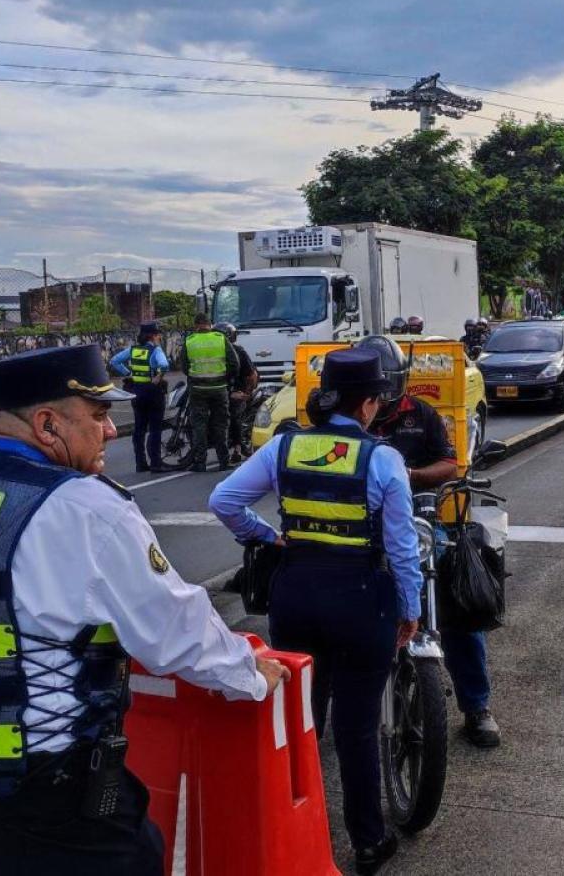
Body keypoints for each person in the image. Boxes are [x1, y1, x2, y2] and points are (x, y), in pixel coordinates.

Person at [0, 344, 288, 875]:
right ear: (48, 424)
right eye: (98, 416)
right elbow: (173, 629)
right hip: (47, 797)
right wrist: (250, 674)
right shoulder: (86, 507)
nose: (112, 431)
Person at [209, 348, 421, 875]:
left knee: (299, 721)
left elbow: (224, 501)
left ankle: (287, 832)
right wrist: (410, 608)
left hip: (296, 593)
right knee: (357, 727)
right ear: (369, 404)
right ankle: (368, 843)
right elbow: (400, 549)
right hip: (361, 600)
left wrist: (268, 537)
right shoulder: (383, 459)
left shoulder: (283, 447)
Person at [357, 335, 502, 749]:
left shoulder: (421, 414)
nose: (380, 397)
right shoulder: (349, 421)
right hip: (361, 530)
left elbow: (450, 464)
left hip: (420, 526)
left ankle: (477, 706)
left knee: (461, 607)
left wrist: (409, 476)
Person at [178, 312, 240, 472]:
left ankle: (200, 462)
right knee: (221, 424)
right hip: (219, 389)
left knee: (199, 425)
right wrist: (225, 379)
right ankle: (223, 461)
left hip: (197, 389)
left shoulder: (189, 341)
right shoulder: (220, 338)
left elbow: (184, 366)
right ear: (209, 324)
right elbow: (235, 363)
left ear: (196, 325)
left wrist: (195, 378)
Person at [110, 321, 170, 473]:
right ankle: (156, 463)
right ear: (152, 336)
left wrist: (128, 374)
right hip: (153, 392)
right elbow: (164, 365)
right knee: (155, 429)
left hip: (137, 392)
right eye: (158, 335)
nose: (159, 337)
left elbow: (114, 361)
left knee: (139, 429)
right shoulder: (156, 350)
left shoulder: (133, 349)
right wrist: (158, 376)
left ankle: (141, 463)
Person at [214, 321, 260, 464]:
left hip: (237, 391)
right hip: (219, 391)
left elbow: (252, 375)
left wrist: (246, 394)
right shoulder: (213, 352)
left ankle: (237, 449)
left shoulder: (239, 351)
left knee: (234, 415)